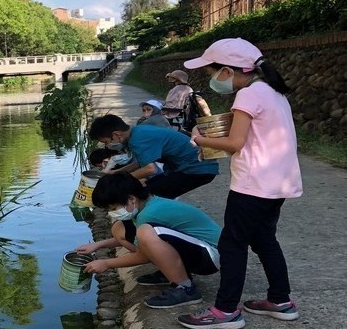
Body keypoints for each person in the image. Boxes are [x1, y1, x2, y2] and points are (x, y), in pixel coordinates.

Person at [177, 38, 303, 329]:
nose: (211, 79)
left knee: (232, 243)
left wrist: (198, 138)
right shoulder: (271, 90)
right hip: (276, 182)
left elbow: (235, 143)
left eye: (211, 72)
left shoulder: (247, 95)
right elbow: (248, 133)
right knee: (263, 239)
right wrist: (210, 135)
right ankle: (280, 301)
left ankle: (225, 311)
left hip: (253, 184)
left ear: (227, 71)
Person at [76, 172, 222, 308]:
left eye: (114, 208)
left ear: (131, 199)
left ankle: (185, 289)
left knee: (145, 233)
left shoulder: (150, 214)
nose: (112, 213)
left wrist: (106, 263)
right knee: (120, 228)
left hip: (211, 256)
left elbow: (143, 254)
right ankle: (169, 272)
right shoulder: (147, 206)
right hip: (200, 251)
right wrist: (98, 245)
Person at [88, 114, 218, 200]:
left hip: (197, 169)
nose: (108, 145)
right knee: (147, 188)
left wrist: (119, 180)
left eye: (106, 142)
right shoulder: (138, 132)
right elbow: (141, 162)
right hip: (186, 168)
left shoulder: (137, 140)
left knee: (148, 197)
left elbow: (150, 169)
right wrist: (117, 172)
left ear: (116, 135)